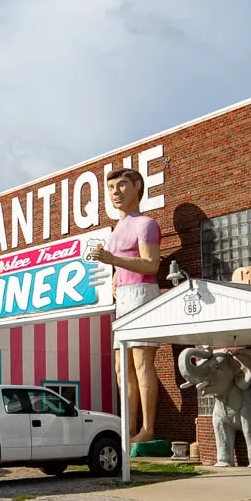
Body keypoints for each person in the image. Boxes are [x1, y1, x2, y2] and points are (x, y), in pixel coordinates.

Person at [87, 166, 162, 444]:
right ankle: (128, 428)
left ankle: (148, 428)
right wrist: (116, 279)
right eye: (110, 188)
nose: (115, 192)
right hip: (125, 298)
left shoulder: (146, 224)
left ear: (137, 187)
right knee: (122, 366)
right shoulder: (117, 228)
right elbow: (121, 263)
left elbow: (151, 264)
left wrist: (113, 261)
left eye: (121, 186)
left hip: (143, 293)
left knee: (143, 363)